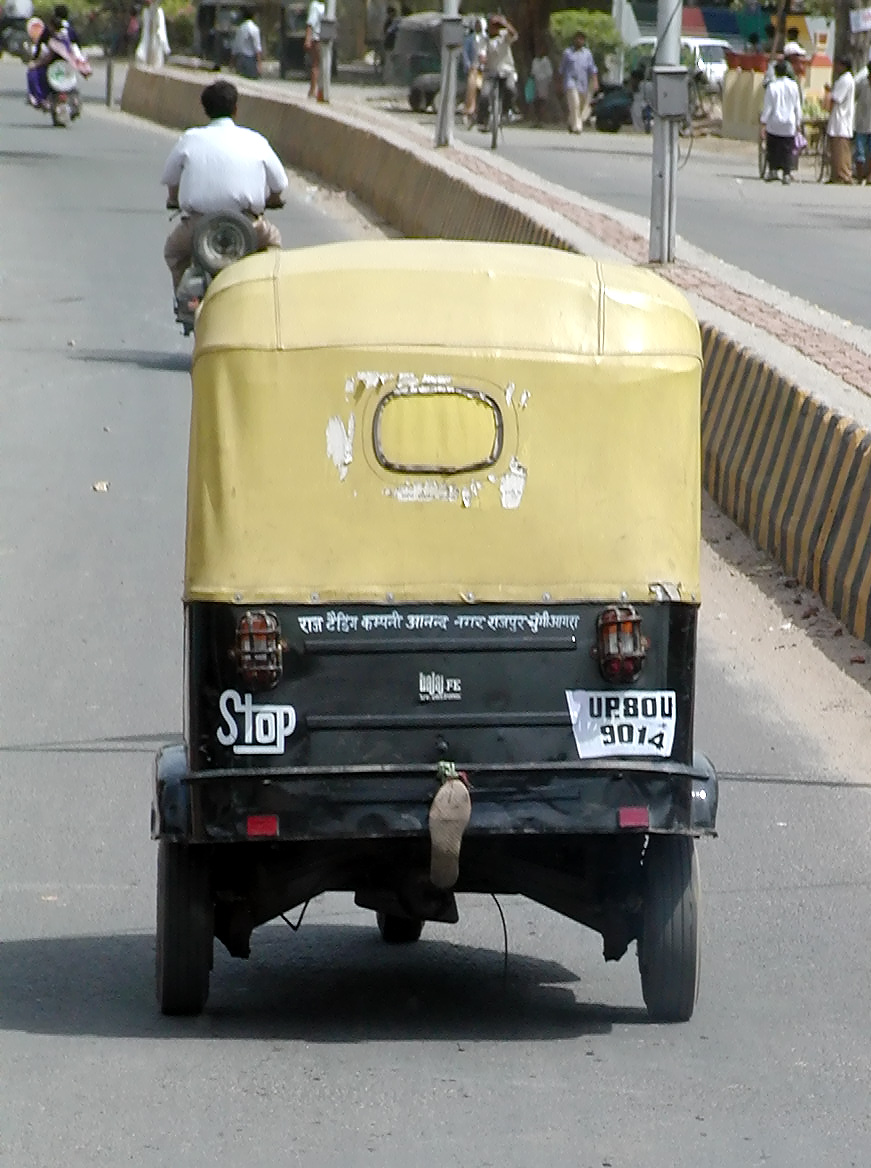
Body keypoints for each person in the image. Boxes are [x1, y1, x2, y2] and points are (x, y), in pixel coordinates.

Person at [160, 79, 288, 293]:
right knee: (273, 244)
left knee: (174, 252)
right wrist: (273, 199)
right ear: (236, 109)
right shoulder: (255, 140)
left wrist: (173, 199)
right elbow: (280, 184)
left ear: (205, 110)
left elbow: (171, 179)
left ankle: (184, 299)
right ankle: (265, 295)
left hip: (199, 224)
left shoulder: (190, 138)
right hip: (248, 223)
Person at [760, 57, 803, 184]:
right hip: (789, 123)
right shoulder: (794, 86)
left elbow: (768, 107)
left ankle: (773, 170)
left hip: (774, 123)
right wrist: (798, 122)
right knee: (787, 149)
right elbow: (797, 106)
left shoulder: (772, 87)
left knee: (773, 147)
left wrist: (763, 123)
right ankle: (786, 174)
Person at [477, 13, 518, 128]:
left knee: (510, 89)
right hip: (490, 71)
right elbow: (482, 53)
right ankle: (483, 119)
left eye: (497, 26)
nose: (495, 28)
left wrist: (504, 23)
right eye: (492, 25)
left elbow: (514, 35)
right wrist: (483, 59)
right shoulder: (484, 39)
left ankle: (507, 111)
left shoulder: (505, 36)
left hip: (506, 70)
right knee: (484, 95)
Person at [559, 28, 598, 134]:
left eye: (582, 39)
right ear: (574, 40)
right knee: (574, 103)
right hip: (570, 83)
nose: (579, 41)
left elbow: (592, 69)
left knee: (580, 106)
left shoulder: (587, 54)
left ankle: (571, 122)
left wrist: (595, 81)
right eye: (578, 38)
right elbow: (561, 69)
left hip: (583, 84)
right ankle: (577, 127)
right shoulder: (567, 53)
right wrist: (559, 83)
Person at [824, 57, 855, 184]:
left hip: (841, 119)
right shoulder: (842, 79)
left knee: (842, 149)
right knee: (835, 149)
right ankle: (836, 174)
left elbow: (837, 98)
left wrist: (829, 93)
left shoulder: (846, 80)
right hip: (837, 119)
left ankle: (844, 174)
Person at [462, 17, 485, 122]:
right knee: (471, 87)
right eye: (476, 24)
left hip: (485, 69)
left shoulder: (486, 39)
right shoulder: (469, 39)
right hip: (474, 68)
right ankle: (469, 110)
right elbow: (465, 53)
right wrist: (468, 64)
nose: (478, 26)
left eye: (479, 24)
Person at [135, 0, 170, 67]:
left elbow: (161, 28)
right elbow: (146, 28)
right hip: (148, 37)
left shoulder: (159, 12)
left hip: (156, 38)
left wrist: (163, 42)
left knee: (156, 59)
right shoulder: (146, 12)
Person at [853, 59, 871, 183]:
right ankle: (860, 177)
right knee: (860, 153)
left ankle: (869, 176)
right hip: (861, 123)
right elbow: (853, 97)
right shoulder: (862, 82)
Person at [232, 7, 261, 79]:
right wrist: (259, 64)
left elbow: (235, 47)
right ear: (253, 16)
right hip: (250, 59)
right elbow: (257, 47)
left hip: (240, 58)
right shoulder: (254, 28)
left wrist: (232, 62)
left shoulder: (240, 28)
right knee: (251, 80)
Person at [305, 0, 325, 99]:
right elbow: (310, 23)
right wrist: (308, 38)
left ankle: (319, 90)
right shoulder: (315, 5)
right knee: (316, 64)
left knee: (322, 65)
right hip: (317, 38)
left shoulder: (325, 6)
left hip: (324, 38)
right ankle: (313, 90)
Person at [529, 42, 553, 125]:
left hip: (544, 84)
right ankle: (536, 120)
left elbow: (549, 74)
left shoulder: (546, 61)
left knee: (543, 102)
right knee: (536, 103)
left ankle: (542, 120)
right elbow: (532, 73)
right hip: (536, 83)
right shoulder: (535, 60)